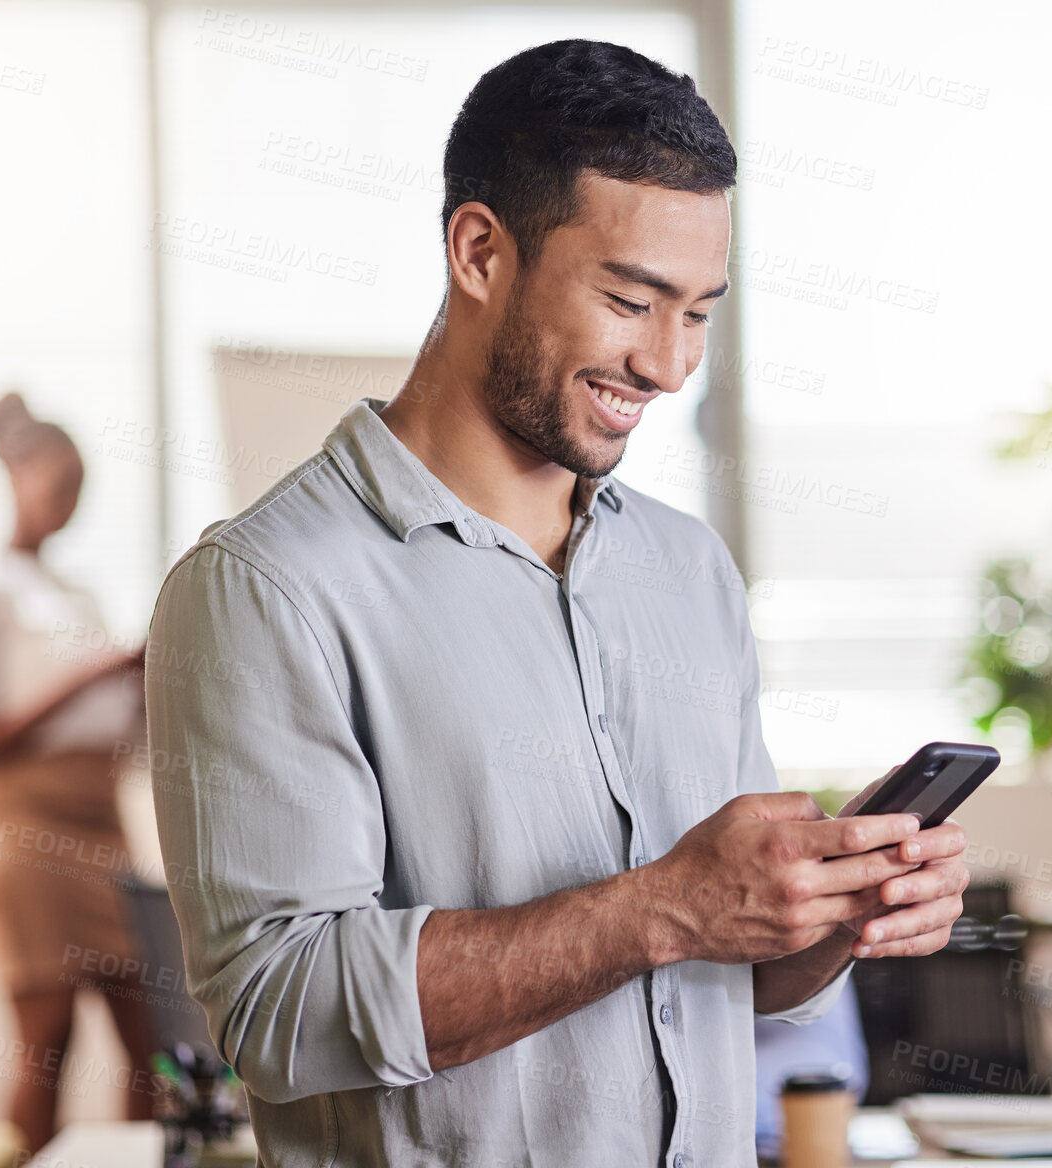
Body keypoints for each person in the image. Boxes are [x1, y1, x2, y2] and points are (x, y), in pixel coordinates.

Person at [146, 39, 969, 1167]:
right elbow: (279, 1014)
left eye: (699, 313)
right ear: (480, 249)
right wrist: (660, 906)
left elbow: (729, 974)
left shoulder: (689, 573)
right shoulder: (266, 590)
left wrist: (829, 908)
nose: (671, 366)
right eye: (633, 300)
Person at [0, 391, 158, 1154]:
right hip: (21, 828)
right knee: (49, 1042)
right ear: (17, 475)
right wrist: (96, 670)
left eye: (79, 486)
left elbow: (110, 721)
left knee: (151, 1045)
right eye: (57, 481)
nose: (68, 501)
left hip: (100, 820)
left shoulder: (79, 594)